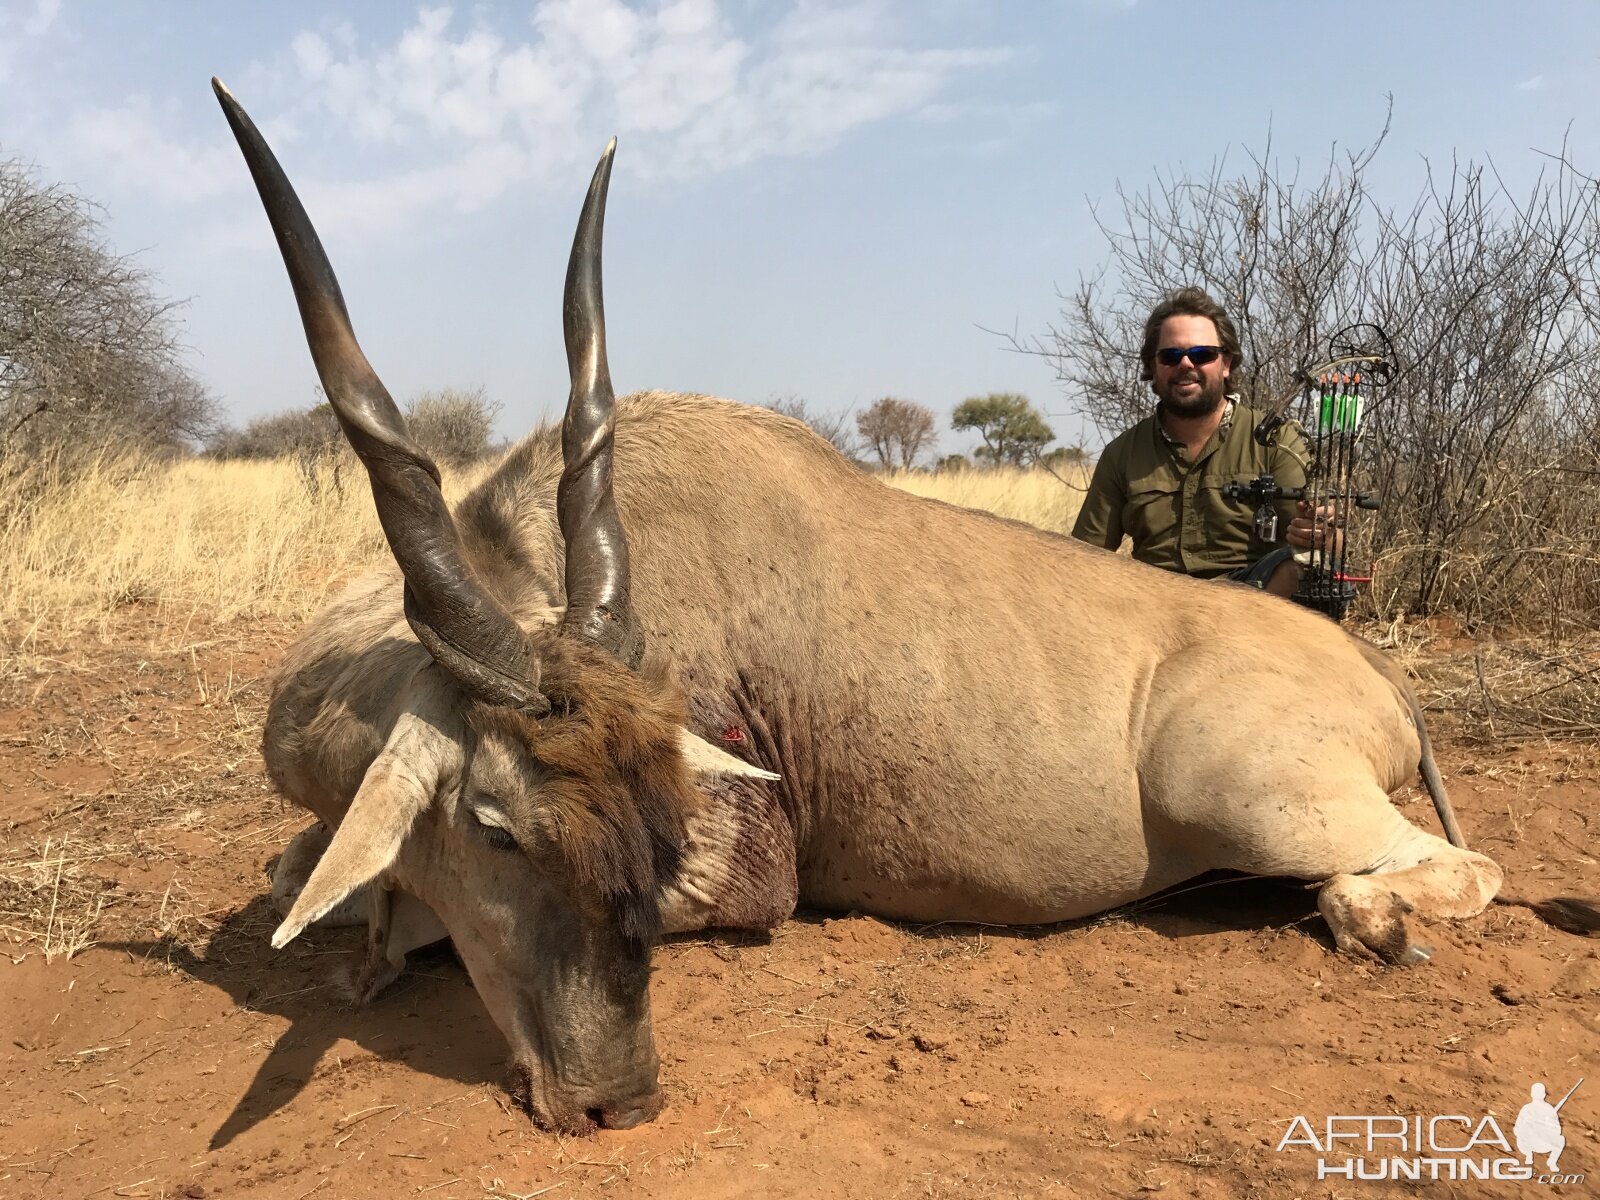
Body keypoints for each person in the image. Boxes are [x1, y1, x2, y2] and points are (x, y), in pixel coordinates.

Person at [1071, 287, 1335, 598]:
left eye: (1202, 354)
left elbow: (1326, 541)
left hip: (1253, 606)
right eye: (1170, 356)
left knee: (1297, 568)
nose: (1185, 364)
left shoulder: (1277, 441)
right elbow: (1083, 556)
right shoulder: (1122, 453)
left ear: (1226, 364)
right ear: (1152, 369)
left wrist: (1322, 533)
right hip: (1153, 605)